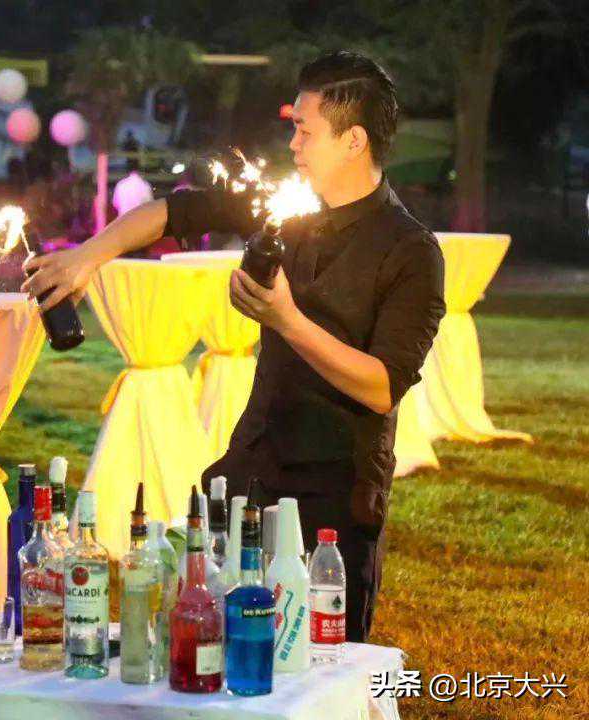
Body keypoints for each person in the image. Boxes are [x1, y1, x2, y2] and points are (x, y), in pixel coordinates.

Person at [22, 51, 446, 643]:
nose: (293, 144)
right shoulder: (286, 210)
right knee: (213, 644)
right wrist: (85, 258)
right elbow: (175, 210)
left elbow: (382, 386)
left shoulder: (411, 251)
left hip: (333, 496)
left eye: (305, 130)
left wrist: (287, 320)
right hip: (251, 470)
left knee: (315, 662)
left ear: (353, 140)